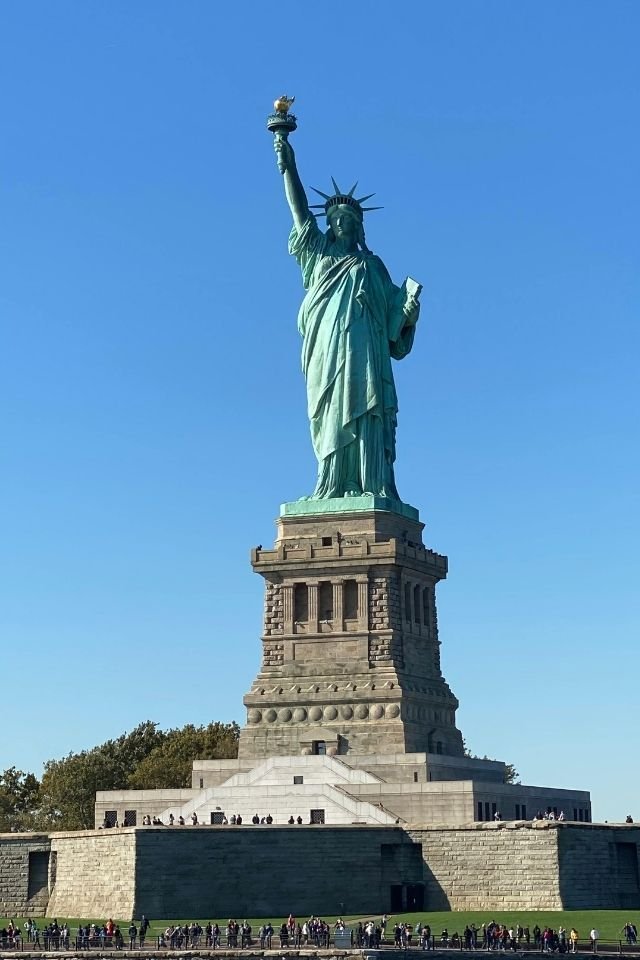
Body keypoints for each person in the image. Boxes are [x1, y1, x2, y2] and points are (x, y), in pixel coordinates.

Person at [274, 135, 420, 502]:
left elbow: (393, 329)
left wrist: (408, 313)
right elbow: (299, 209)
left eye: (348, 220)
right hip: (325, 348)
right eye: (335, 219)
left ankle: (372, 484)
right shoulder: (317, 254)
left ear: (358, 227)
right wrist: (286, 157)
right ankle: (332, 484)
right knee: (329, 412)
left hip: (365, 352)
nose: (341, 224)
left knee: (367, 409)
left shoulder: (372, 266)